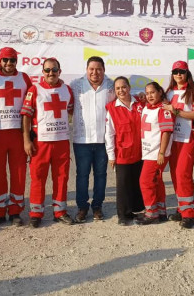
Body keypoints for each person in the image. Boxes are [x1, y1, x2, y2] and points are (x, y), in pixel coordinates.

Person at [0, 47, 33, 228]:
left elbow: (32, 105)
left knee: (18, 173)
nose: (9, 64)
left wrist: (30, 135)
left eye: (12, 60)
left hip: (18, 133)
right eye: (6, 60)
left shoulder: (24, 78)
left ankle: (16, 211)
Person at [21, 58, 76, 227]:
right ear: (42, 72)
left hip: (61, 141)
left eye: (54, 70)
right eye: (47, 70)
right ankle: (36, 213)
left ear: (60, 71)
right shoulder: (34, 89)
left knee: (61, 177)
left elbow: (71, 112)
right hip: (40, 142)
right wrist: (26, 140)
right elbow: (26, 116)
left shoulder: (67, 90)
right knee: (38, 177)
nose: (50, 73)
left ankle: (60, 211)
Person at [69, 56, 115, 222]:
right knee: (82, 174)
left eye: (99, 69)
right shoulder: (75, 85)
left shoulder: (111, 86)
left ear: (104, 70)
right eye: (92, 69)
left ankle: (97, 206)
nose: (95, 72)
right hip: (81, 140)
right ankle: (82, 207)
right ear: (87, 69)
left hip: (103, 140)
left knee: (101, 174)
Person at [162, 61, 194, 229]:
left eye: (182, 71)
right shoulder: (169, 92)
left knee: (183, 173)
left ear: (187, 73)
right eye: (175, 71)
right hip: (173, 137)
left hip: (188, 137)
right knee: (174, 174)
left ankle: (189, 213)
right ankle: (181, 207)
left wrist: (176, 111)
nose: (178, 74)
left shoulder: (193, 91)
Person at [105, 76, 145, 225]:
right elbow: (109, 134)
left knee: (137, 182)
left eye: (124, 87)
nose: (121, 90)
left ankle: (138, 210)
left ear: (129, 87)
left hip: (140, 151)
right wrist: (111, 155)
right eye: (118, 88)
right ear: (114, 91)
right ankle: (123, 215)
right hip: (122, 153)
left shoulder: (140, 103)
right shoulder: (112, 108)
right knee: (123, 185)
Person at [135, 82, 174, 225]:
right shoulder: (147, 107)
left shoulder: (163, 109)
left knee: (145, 181)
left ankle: (151, 213)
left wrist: (162, 153)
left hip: (157, 153)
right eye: (147, 93)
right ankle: (160, 211)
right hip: (149, 152)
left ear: (160, 92)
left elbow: (167, 132)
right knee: (156, 182)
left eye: (152, 92)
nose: (150, 95)